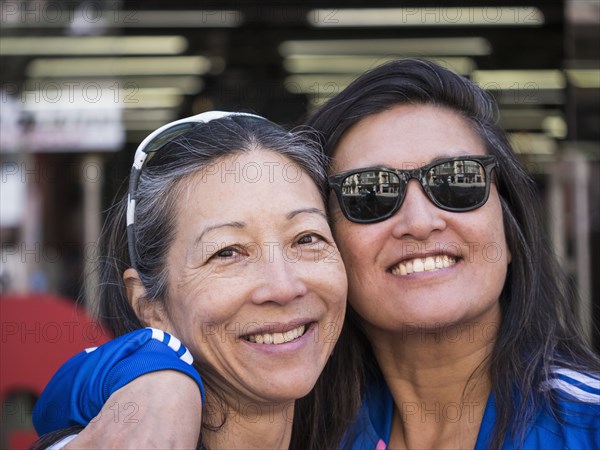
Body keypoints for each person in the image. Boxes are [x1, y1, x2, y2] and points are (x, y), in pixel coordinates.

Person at [34, 60, 600, 449]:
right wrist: (157, 376)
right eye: (370, 195)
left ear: (506, 211)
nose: (422, 220)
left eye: (458, 181)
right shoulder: (293, 408)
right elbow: (61, 399)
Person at [32, 111, 360, 450]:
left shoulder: (372, 425)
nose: (284, 287)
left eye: (307, 239)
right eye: (228, 252)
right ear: (150, 307)